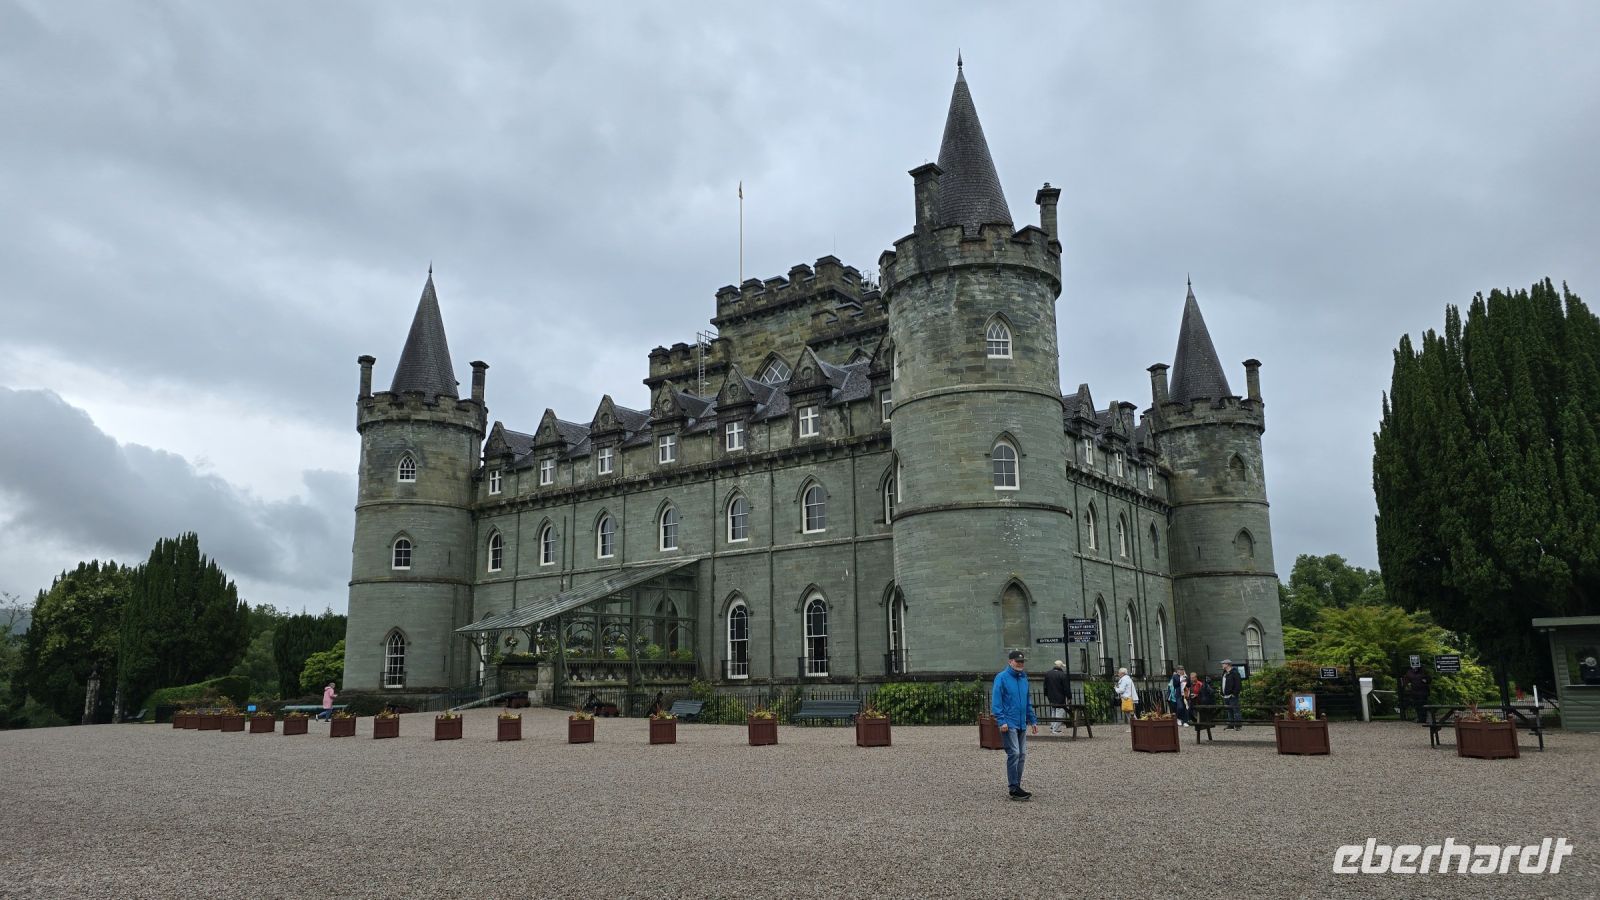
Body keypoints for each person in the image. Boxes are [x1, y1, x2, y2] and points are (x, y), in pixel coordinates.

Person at [991, 650, 1038, 801]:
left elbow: (1027, 701)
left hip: (1021, 722)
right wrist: (1001, 720)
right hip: (1009, 722)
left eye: (1022, 662)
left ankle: (1017, 785)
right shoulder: (1002, 677)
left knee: (1022, 754)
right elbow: (996, 700)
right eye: (1018, 661)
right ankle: (1013, 787)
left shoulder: (1023, 678)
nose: (1020, 664)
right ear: (1010, 662)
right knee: (1015, 753)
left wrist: (1033, 720)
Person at [1043, 659, 1070, 735]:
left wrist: (1046, 695)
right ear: (1061, 666)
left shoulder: (1048, 674)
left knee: (1053, 711)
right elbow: (1066, 688)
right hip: (1060, 697)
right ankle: (1055, 729)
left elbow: (1045, 686)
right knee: (1060, 712)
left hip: (1051, 696)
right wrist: (1069, 697)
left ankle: (1052, 726)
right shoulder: (1062, 675)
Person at [1220, 659, 1242, 729]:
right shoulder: (1224, 673)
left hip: (1232, 695)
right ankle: (1231, 724)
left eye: (1223, 664)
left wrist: (1234, 693)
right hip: (1226, 695)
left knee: (1236, 710)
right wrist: (1222, 692)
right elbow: (1223, 683)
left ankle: (1238, 725)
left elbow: (1238, 684)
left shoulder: (1235, 673)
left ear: (1227, 664)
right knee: (1229, 710)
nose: (1222, 665)